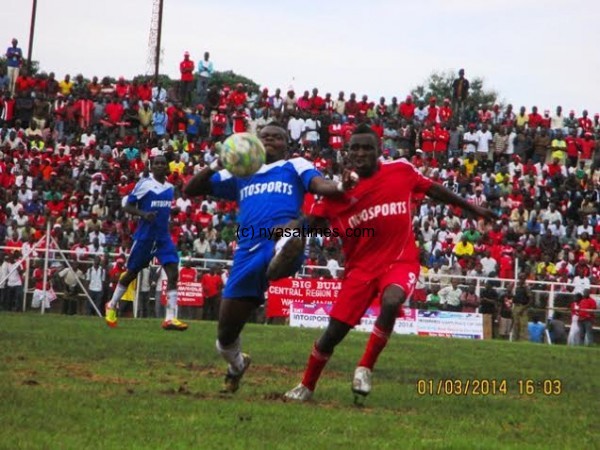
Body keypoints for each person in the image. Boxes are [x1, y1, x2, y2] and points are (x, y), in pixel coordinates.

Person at [284, 124, 495, 402]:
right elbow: (311, 222)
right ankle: (307, 385)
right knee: (332, 334)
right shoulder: (337, 194)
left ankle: (365, 367)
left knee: (392, 300)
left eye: (367, 147)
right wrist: (282, 236)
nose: (360, 152)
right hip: (359, 271)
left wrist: (473, 208)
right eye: (355, 147)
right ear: (347, 152)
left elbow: (435, 190)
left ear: (378, 150)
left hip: (400, 260)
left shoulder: (400, 171)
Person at [183, 123, 352, 393]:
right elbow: (191, 189)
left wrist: (342, 185)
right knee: (225, 337)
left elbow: (321, 185)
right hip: (247, 250)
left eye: (278, 137)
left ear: (287, 144)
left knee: (293, 234)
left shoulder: (294, 165)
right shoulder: (242, 171)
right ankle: (237, 364)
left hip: (281, 237)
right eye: (265, 137)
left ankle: (278, 261)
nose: (271, 140)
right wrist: (219, 162)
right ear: (256, 143)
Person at [104, 155, 187, 331]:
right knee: (131, 273)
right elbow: (127, 206)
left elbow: (160, 208)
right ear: (151, 166)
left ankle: (170, 318)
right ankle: (111, 304)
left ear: (166, 168)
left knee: (173, 272)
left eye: (162, 163)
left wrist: (172, 210)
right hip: (145, 237)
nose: (159, 165)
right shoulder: (144, 184)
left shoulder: (170, 188)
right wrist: (143, 214)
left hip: (163, 237)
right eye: (156, 163)